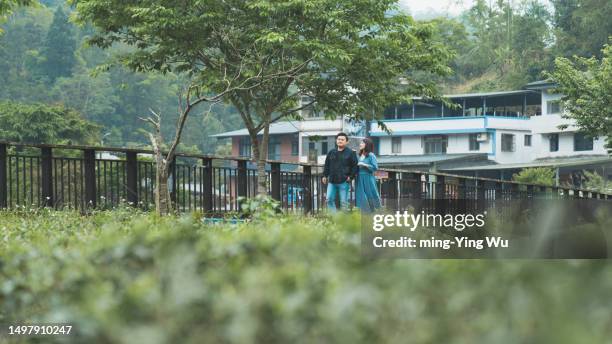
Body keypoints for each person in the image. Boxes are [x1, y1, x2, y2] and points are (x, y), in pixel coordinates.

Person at [322, 132, 358, 212]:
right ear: (336, 141)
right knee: (329, 199)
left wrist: (350, 177)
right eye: (338, 139)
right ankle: (336, 219)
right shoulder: (331, 152)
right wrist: (324, 175)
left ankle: (343, 222)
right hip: (332, 181)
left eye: (342, 139)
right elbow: (327, 164)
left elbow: (355, 166)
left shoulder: (351, 153)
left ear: (346, 142)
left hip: (344, 181)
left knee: (343, 203)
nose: (340, 141)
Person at [355, 138, 382, 213]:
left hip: (368, 177)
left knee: (371, 194)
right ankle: (364, 213)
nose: (360, 144)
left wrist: (364, 165)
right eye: (360, 143)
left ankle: (376, 211)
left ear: (367, 145)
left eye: (362, 143)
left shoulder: (371, 155)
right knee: (361, 195)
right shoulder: (359, 155)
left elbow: (375, 167)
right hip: (359, 178)